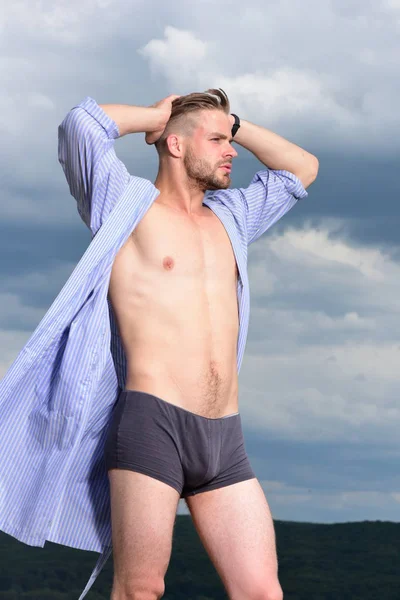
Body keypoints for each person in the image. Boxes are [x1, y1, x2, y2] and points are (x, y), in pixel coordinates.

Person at [0, 88, 318, 600]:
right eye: (216, 140)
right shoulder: (126, 208)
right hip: (154, 426)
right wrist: (155, 116)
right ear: (174, 145)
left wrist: (230, 122)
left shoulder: (233, 218)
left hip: (225, 439)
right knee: (141, 588)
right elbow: (81, 126)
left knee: (262, 591)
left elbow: (301, 167)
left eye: (230, 138)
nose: (231, 149)